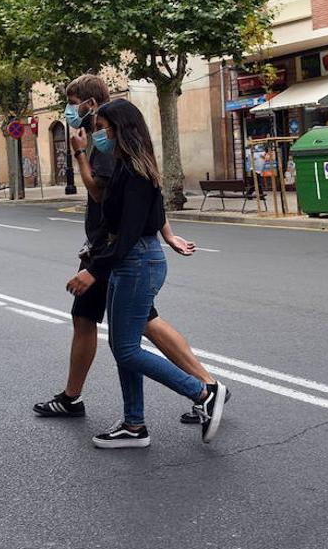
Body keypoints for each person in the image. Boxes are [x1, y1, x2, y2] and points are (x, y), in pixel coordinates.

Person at [33, 74, 225, 427]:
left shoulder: (111, 153)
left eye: (72, 102)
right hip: (111, 252)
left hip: (118, 255)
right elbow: (140, 207)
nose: (69, 110)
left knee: (128, 337)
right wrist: (166, 233)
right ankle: (133, 420)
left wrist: (78, 154)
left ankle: (205, 390)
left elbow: (114, 203)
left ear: (91, 106)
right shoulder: (120, 151)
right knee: (126, 326)